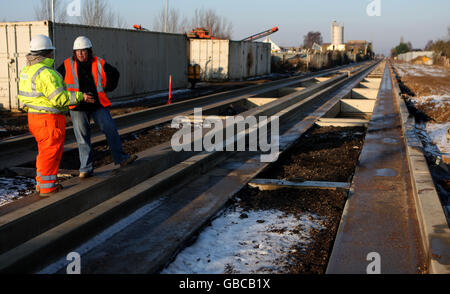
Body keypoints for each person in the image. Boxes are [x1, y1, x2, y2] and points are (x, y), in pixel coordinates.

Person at [18, 34, 95, 196]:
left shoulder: (27, 70)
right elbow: (59, 99)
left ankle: (41, 183)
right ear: (46, 53)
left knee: (43, 151)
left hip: (33, 117)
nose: (53, 55)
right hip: (49, 120)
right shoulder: (47, 73)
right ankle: (47, 187)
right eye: (51, 52)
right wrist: (81, 96)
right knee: (51, 152)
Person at [57, 36, 137, 179]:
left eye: (84, 51)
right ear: (74, 52)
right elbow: (56, 81)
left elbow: (115, 74)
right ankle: (86, 168)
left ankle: (121, 158)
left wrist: (108, 88)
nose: (81, 54)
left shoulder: (98, 62)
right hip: (77, 106)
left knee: (110, 128)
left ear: (89, 51)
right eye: (78, 51)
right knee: (82, 138)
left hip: (97, 104)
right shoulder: (66, 65)